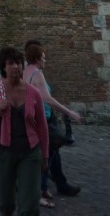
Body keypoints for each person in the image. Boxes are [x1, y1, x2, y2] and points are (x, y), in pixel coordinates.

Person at [0, 45, 49, 216]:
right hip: (3, 152)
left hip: (30, 153)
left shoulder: (33, 93)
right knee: (5, 204)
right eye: (11, 63)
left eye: (18, 62)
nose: (16, 66)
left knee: (29, 206)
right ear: (3, 66)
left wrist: (45, 156)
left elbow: (42, 126)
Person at [23, 43, 81, 205]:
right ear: (36, 58)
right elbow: (47, 98)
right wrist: (69, 112)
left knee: (52, 152)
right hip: (44, 119)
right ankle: (40, 187)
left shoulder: (25, 72)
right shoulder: (37, 74)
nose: (45, 60)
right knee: (48, 154)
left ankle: (58, 184)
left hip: (33, 119)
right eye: (43, 57)